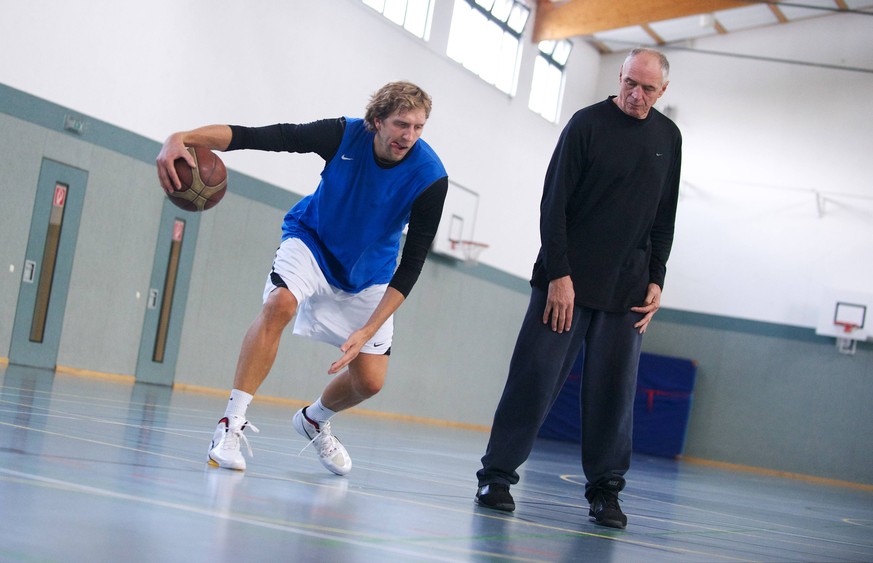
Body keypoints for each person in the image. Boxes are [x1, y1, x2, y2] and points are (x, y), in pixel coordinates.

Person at [156, 81, 448, 476]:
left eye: (418, 127)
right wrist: (183, 137)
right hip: (312, 242)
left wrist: (368, 330)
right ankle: (230, 425)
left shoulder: (430, 177)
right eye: (401, 124)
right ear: (376, 121)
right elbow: (263, 137)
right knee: (279, 304)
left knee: (370, 382)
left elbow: (411, 264)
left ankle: (314, 419)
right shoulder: (343, 134)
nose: (409, 136)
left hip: (369, 274)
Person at [474, 48, 681, 529]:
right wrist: (559, 275)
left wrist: (656, 279)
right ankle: (497, 477)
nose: (636, 94)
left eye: (647, 88)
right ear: (620, 76)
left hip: (627, 290)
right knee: (534, 380)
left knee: (614, 395)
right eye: (630, 82)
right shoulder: (586, 124)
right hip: (564, 283)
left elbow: (664, 218)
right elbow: (554, 204)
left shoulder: (669, 138)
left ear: (663, 91)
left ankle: (606, 492)